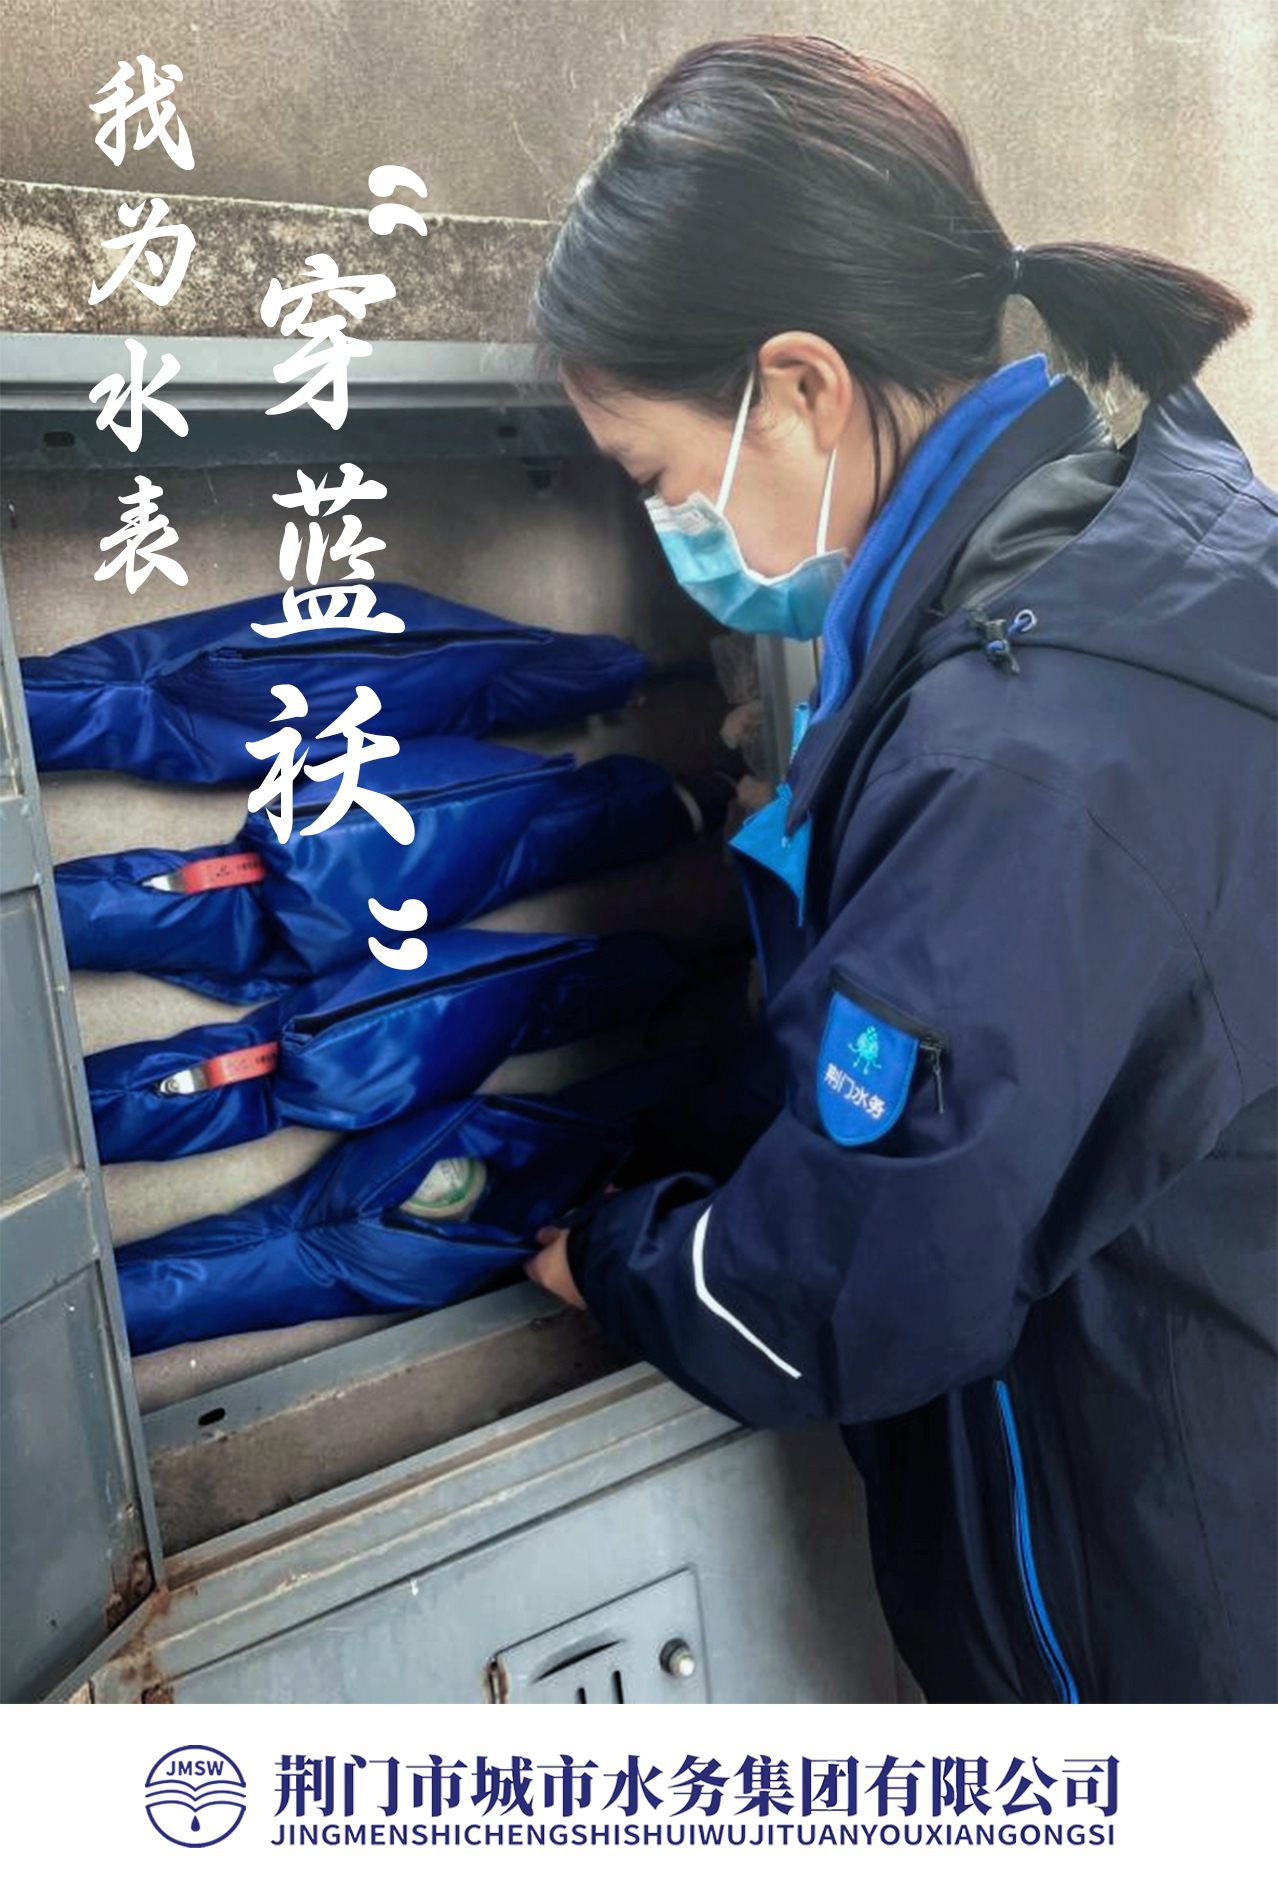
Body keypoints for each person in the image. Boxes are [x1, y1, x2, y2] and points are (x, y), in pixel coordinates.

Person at [524, 33, 1277, 1703]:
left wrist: (619, 1257)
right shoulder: (1141, 553)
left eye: (656, 476)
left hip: (1168, 1598)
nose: (672, 525)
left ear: (798, 387)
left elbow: (851, 1291)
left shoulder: (1025, 747)